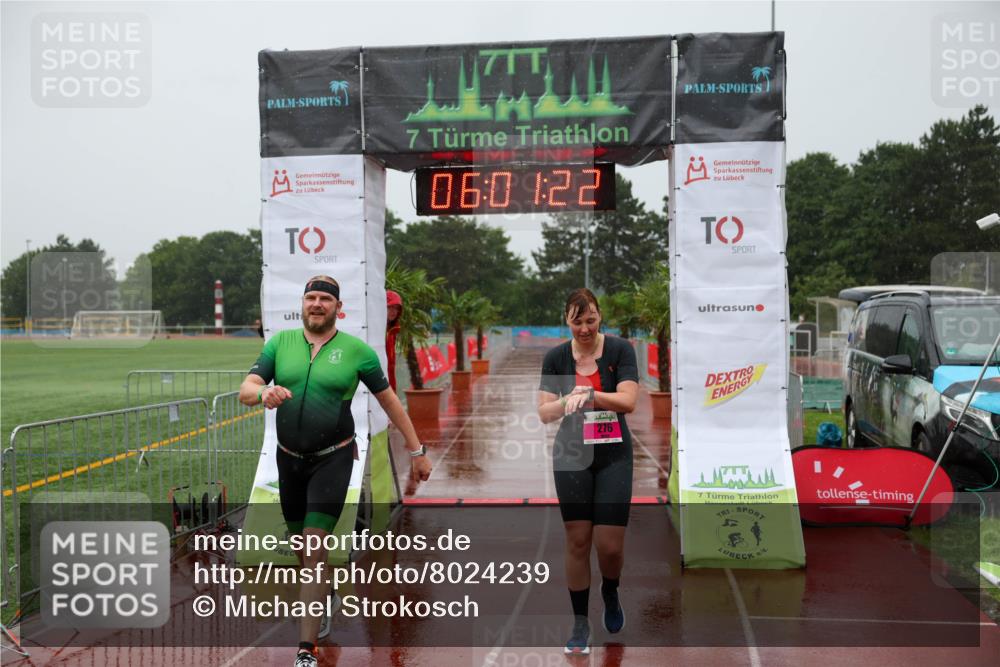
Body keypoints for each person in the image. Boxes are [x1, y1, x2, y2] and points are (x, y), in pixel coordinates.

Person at [240, 275, 432, 667]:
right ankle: (322, 590)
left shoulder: (357, 351)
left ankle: (306, 650)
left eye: (324, 298)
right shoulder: (280, 344)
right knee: (301, 548)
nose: (316, 303)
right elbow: (247, 388)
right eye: (310, 296)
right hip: (288, 457)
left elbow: (390, 402)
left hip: (334, 457)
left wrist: (417, 451)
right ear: (302, 303)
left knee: (314, 545)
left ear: (337, 308)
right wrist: (263, 393)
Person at [537, 288, 639, 655]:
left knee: (609, 546)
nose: (584, 328)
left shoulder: (620, 351)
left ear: (600, 317)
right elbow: (545, 412)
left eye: (590, 319)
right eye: (577, 321)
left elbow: (628, 402)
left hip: (613, 454)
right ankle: (580, 621)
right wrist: (568, 400)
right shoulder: (555, 358)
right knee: (578, 540)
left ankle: (610, 590)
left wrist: (593, 396)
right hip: (571, 454)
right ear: (566, 320)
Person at [385, 290, 403, 392]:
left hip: (389, 381)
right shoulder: (377, 330)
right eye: (389, 307)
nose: (393, 311)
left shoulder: (392, 331)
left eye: (396, 308)